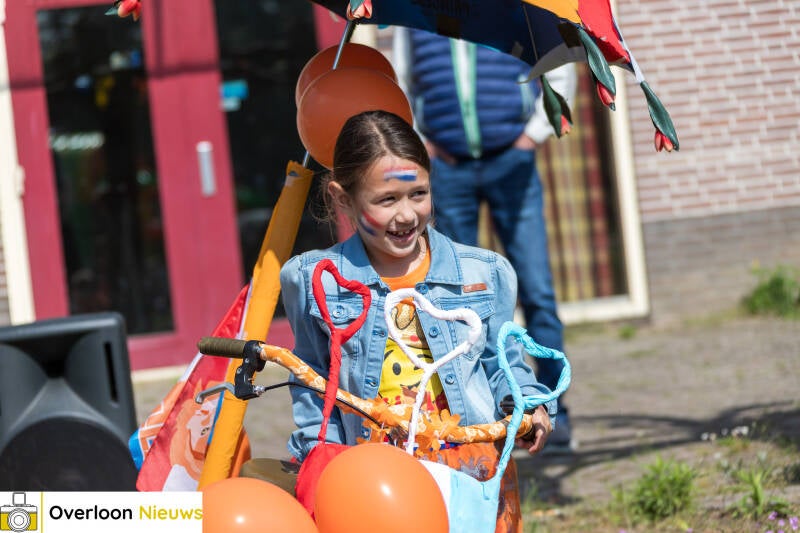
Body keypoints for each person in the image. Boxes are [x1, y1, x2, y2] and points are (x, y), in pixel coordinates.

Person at [280, 110, 555, 527]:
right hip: (375, 478)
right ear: (343, 199)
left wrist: (528, 404)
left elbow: (503, 365)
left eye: (419, 194)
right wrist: (323, 462)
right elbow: (313, 383)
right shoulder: (314, 279)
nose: (407, 215)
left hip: (470, 472)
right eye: (387, 200)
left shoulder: (484, 274)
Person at [392, 27, 577, 451]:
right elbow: (403, 84)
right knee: (456, 300)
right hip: (449, 170)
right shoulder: (416, 20)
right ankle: (473, 417)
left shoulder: (512, 13)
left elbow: (558, 69)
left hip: (512, 162)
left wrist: (534, 135)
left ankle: (552, 411)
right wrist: (423, 143)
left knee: (536, 290)